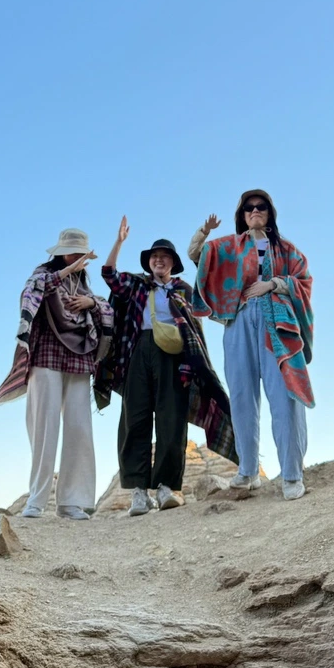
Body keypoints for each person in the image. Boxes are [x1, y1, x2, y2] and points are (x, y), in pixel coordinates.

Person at [97, 216, 236, 518]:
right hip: (137, 353)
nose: (159, 260)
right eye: (155, 257)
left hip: (174, 357)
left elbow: (196, 325)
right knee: (135, 420)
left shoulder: (183, 290)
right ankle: (138, 492)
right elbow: (109, 274)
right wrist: (119, 241)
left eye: (165, 257)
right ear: (149, 262)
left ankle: (166, 488)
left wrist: (190, 365)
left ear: (173, 263)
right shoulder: (137, 284)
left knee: (172, 420)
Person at [191, 189, 313, 500]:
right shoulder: (229, 246)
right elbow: (198, 256)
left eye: (260, 207)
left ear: (270, 212)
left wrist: (272, 284)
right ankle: (247, 471)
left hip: (277, 321)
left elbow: (304, 280)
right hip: (239, 319)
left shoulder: (286, 249)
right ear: (242, 215)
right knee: (241, 396)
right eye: (249, 208)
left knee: (284, 395)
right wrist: (204, 231)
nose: (255, 211)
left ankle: (292, 474)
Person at [0, 229, 113, 520]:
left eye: (80, 253)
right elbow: (31, 292)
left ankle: (71, 502)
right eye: (72, 252)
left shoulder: (84, 285)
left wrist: (92, 303)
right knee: (44, 426)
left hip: (80, 356)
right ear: (60, 253)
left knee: (79, 427)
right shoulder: (44, 274)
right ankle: (36, 499)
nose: (76, 257)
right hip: (47, 352)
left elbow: (106, 309)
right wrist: (66, 271)